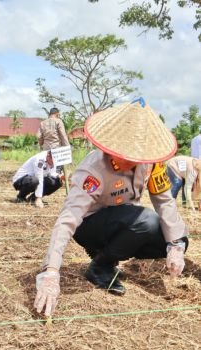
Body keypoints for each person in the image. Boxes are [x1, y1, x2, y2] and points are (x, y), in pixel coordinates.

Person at [35, 98, 189, 316]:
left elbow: (164, 200)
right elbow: (68, 219)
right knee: (147, 220)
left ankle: (111, 253)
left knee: (178, 236)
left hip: (125, 221)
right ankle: (100, 266)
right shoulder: (93, 170)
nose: (134, 160)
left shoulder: (151, 163)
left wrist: (175, 246)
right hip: (90, 226)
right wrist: (51, 271)